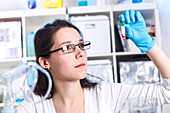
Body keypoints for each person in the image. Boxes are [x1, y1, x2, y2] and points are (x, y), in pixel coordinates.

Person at [17, 10, 170, 113]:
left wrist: (149, 45)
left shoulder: (106, 94)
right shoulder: (32, 107)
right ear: (45, 62)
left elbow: (167, 93)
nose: (80, 53)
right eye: (68, 47)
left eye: (81, 45)